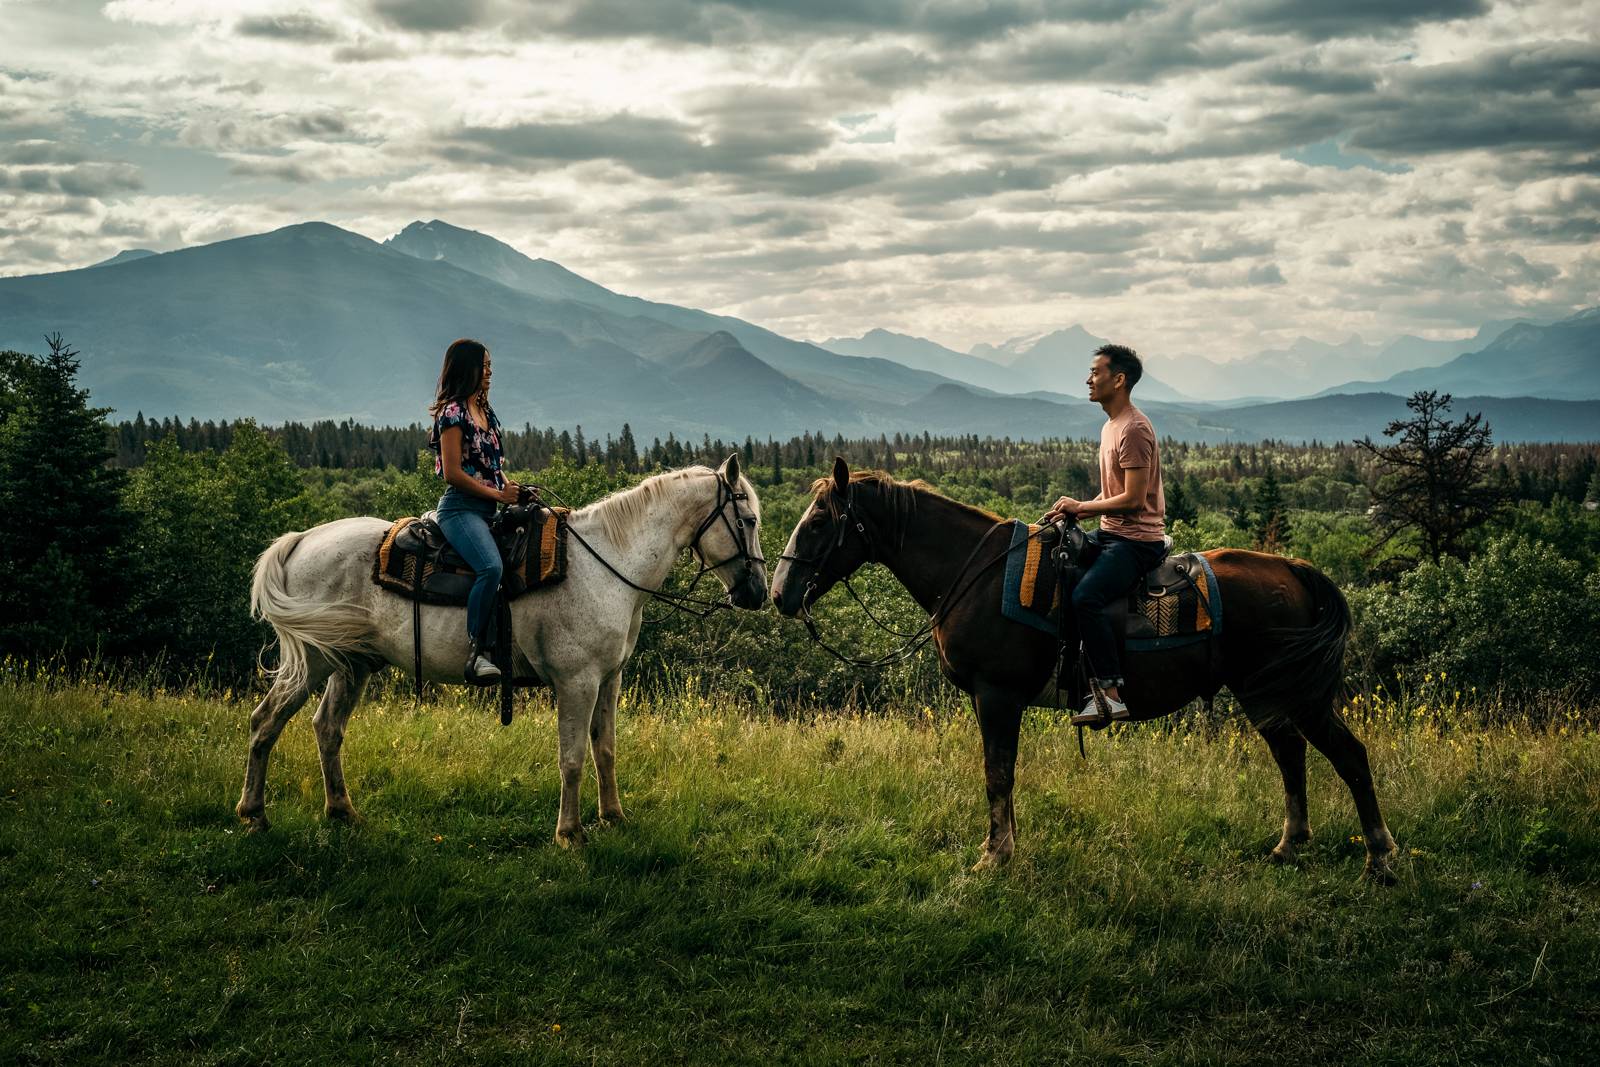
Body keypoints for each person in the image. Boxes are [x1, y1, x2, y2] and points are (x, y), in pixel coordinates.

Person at [1045, 343, 1167, 726]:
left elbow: (1133, 500)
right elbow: (1114, 491)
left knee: (1087, 597)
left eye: (1096, 373)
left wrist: (1081, 507)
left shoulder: (1134, 429)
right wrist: (1071, 510)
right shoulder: (1110, 426)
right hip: (1111, 533)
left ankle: (1111, 694)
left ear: (1119, 380)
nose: (1088, 379)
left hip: (1136, 542)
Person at [427, 338, 520, 682]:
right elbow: (453, 473)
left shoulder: (487, 413)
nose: (490, 371)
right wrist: (498, 496)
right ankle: (477, 651)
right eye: (484, 365)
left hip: (489, 508)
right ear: (468, 369)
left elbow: (494, 467)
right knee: (490, 568)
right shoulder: (452, 414)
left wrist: (511, 490)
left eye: (490, 365)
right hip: (460, 510)